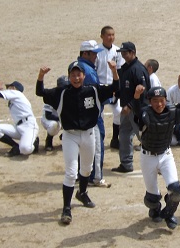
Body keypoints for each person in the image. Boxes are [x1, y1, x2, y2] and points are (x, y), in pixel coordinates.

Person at [36, 60, 119, 225]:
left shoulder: (93, 90)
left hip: (89, 134)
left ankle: (82, 193)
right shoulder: (61, 92)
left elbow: (115, 88)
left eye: (78, 74)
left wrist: (114, 71)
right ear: (69, 77)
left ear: (84, 76)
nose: (76, 78)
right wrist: (41, 76)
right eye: (73, 75)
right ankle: (66, 208)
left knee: (87, 169)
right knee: (71, 173)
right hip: (70, 136)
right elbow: (40, 92)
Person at [131, 79, 180, 228]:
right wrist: (136, 95)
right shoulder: (145, 114)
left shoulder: (172, 112)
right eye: (155, 101)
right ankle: (155, 209)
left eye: (162, 100)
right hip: (147, 157)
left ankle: (169, 213)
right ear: (150, 102)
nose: (159, 104)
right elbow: (136, 107)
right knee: (152, 198)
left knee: (176, 191)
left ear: (166, 100)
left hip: (165, 155)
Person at [112, 41, 150, 173]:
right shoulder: (125, 68)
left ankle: (159, 163)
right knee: (124, 135)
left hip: (138, 109)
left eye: (125, 52)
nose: (123, 55)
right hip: (126, 109)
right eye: (121, 52)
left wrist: (130, 105)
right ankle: (126, 164)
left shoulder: (138, 69)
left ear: (132, 52)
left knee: (144, 137)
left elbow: (143, 91)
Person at [77, 40, 110, 188]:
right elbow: (94, 93)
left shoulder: (77, 67)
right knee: (96, 146)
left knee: (83, 146)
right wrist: (108, 95)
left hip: (81, 115)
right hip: (93, 115)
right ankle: (96, 177)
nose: (96, 57)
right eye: (93, 54)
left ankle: (82, 175)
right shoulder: (88, 71)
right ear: (85, 53)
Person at [0, 81, 39, 157]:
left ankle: (34, 142)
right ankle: (15, 147)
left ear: (14, 88)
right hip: (18, 127)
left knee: (25, 149)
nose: (7, 89)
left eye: (9, 87)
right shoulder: (15, 99)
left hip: (29, 126)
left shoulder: (17, 93)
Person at [95, 26, 125, 150]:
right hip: (100, 87)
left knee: (119, 112)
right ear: (102, 36)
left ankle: (115, 139)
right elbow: (94, 70)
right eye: (108, 35)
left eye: (113, 35)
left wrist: (118, 88)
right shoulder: (96, 51)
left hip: (113, 86)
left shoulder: (118, 51)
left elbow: (120, 69)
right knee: (99, 114)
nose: (111, 37)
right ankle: (99, 140)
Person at [41, 75, 69, 151]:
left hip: (61, 119)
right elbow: (48, 115)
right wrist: (62, 119)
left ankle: (65, 136)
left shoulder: (70, 95)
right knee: (54, 125)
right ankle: (49, 141)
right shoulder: (52, 95)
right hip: (49, 120)